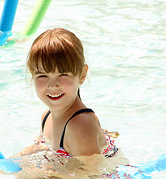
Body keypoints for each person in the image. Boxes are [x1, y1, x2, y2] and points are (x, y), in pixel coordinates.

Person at [18, 28, 118, 159]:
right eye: (42, 75)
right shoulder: (46, 117)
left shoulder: (80, 124)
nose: (53, 85)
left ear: (82, 75)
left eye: (63, 74)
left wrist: (41, 175)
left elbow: (91, 173)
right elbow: (42, 147)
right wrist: (16, 159)